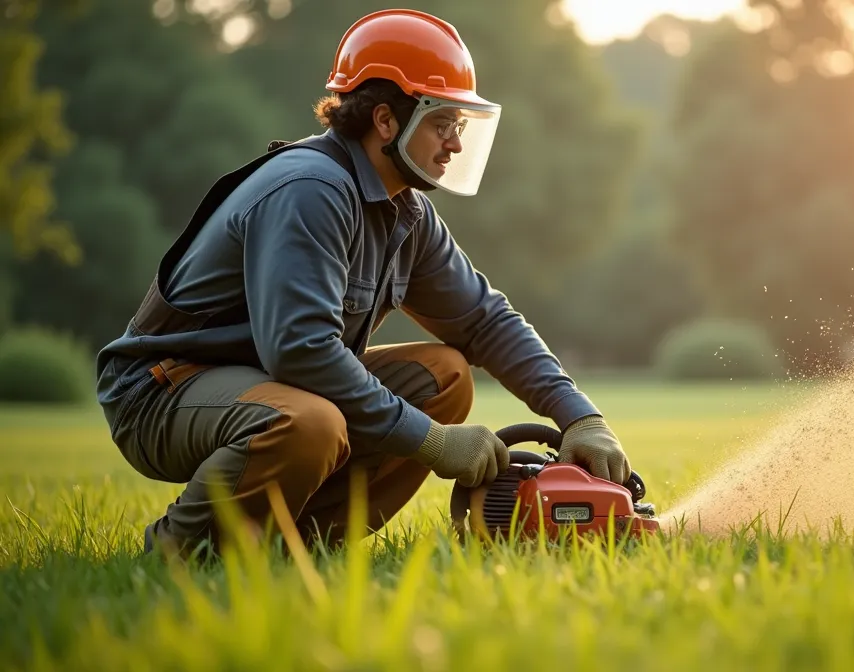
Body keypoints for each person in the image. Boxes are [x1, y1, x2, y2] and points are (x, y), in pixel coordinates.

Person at [94, 8, 630, 556]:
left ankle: (300, 550)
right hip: (162, 389)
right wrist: (430, 440)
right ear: (385, 121)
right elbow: (301, 352)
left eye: (459, 127)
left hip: (261, 383)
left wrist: (579, 416)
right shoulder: (310, 189)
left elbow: (483, 320)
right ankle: (184, 551)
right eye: (443, 124)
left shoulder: (406, 211)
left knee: (445, 377)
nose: (456, 145)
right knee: (309, 423)